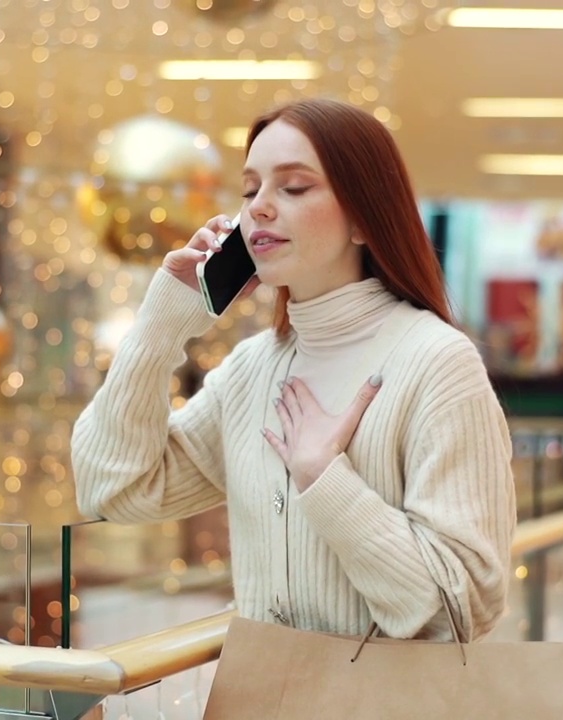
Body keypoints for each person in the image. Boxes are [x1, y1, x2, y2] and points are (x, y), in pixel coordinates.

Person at [71, 98, 516, 642]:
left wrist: (325, 480)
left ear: (362, 218)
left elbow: (461, 607)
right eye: (250, 189)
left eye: (294, 187)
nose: (258, 207)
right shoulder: (253, 369)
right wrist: (163, 324)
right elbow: (112, 489)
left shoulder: (437, 364)